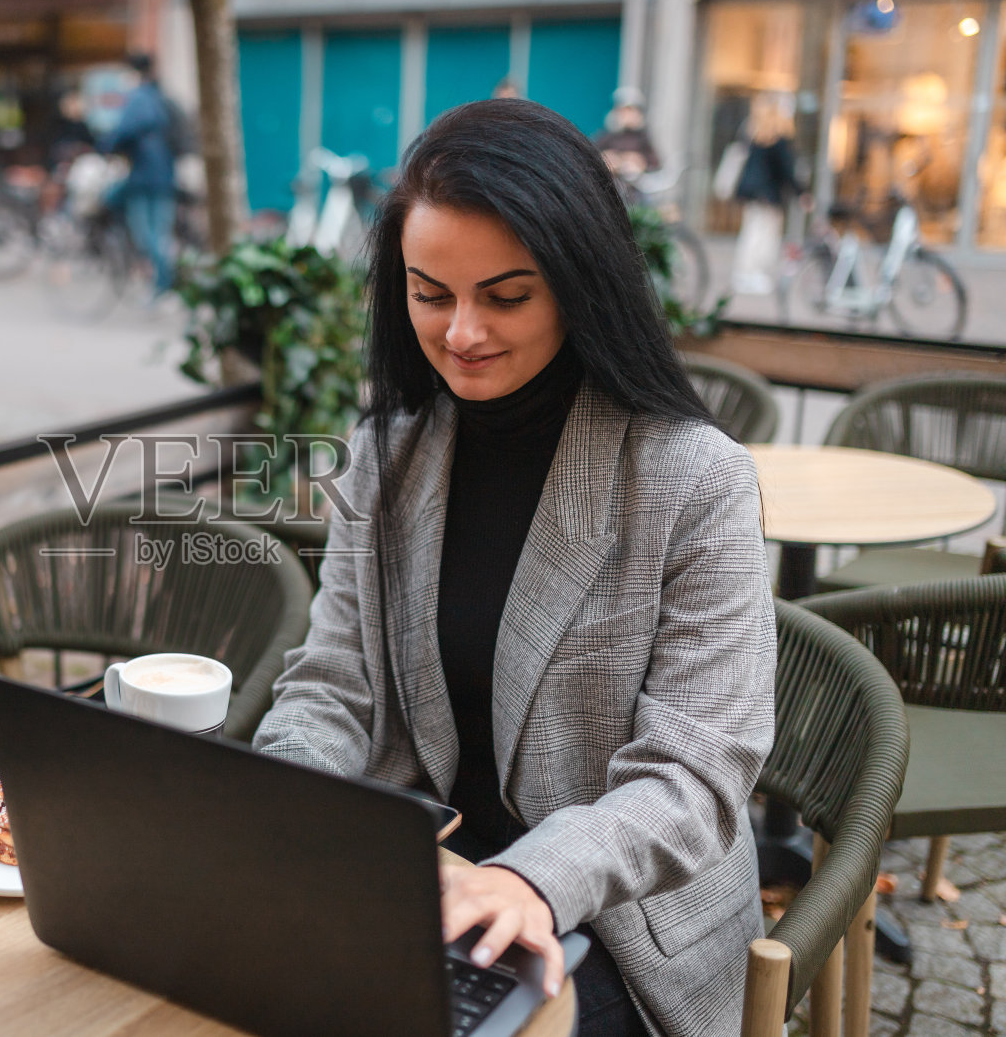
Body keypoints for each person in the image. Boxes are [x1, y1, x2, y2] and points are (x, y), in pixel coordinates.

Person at [251, 99, 775, 1036]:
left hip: (620, 916)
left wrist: (531, 876)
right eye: (429, 293)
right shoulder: (388, 453)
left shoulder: (693, 478)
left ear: (579, 284)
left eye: (505, 297)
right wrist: (285, 805)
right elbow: (333, 683)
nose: (460, 332)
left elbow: (695, 776)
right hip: (428, 873)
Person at [100, 54, 177, 296]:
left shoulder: (139, 98)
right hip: (163, 173)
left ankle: (163, 282)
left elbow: (124, 130)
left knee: (147, 234)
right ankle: (165, 279)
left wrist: (105, 146)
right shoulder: (157, 96)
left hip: (144, 176)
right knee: (159, 233)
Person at [731, 91, 805, 295]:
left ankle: (744, 272)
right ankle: (753, 273)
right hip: (768, 195)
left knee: (752, 233)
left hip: (752, 193)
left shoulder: (754, 134)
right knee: (764, 236)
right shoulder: (778, 139)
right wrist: (800, 192)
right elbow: (787, 170)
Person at [594, 86, 661, 184]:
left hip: (635, 187)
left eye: (630, 110)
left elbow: (656, 165)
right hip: (612, 184)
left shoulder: (642, 137)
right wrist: (606, 159)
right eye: (623, 111)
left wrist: (641, 163)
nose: (626, 115)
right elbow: (592, 154)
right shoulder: (608, 136)